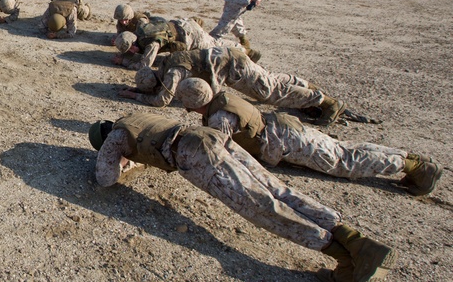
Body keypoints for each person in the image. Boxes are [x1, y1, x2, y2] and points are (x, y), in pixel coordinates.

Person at [88, 112, 396, 282]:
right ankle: (354, 239)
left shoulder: (115, 139)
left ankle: (345, 258)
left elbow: (105, 178)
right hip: (210, 137)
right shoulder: (132, 119)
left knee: (262, 207)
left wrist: (125, 163)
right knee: (279, 191)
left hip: (195, 154)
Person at [175, 78, 442, 196]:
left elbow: (220, 154)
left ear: (190, 103)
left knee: (341, 161)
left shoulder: (220, 119)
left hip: (287, 141)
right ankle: (410, 161)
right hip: (283, 128)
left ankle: (415, 166)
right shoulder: (221, 99)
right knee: (343, 150)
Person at [119, 47, 345, 125]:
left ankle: (326, 102)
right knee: (270, 82)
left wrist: (135, 97)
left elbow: (161, 101)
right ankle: (304, 86)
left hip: (233, 66)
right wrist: (138, 91)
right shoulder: (166, 65)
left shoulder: (173, 72)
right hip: (228, 59)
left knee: (269, 93)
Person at [114, 16, 259, 69]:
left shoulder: (152, 43)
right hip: (182, 24)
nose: (130, 53)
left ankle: (245, 51)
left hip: (190, 35)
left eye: (129, 50)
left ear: (133, 45)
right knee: (214, 42)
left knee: (215, 48)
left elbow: (145, 65)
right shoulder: (141, 28)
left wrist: (125, 63)